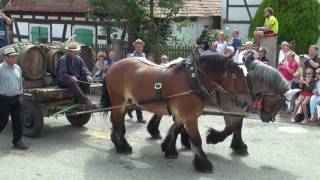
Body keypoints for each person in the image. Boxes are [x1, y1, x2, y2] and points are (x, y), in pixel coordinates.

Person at [0, 47, 28, 150]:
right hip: (3, 99)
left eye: (15, 56)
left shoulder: (17, 68)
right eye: (12, 57)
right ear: (5, 58)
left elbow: (19, 82)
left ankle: (17, 141)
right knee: (2, 121)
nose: (14, 58)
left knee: (18, 120)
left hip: (16, 99)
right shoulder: (0, 68)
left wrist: (20, 95)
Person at [128, 39, 146, 123]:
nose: (139, 48)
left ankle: (129, 109)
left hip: (142, 79)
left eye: (140, 46)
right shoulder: (132, 56)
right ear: (135, 47)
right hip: (133, 79)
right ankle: (139, 118)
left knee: (135, 99)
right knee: (137, 99)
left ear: (142, 47)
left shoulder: (144, 55)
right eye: (137, 46)